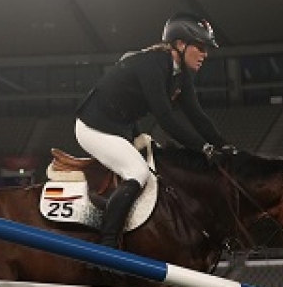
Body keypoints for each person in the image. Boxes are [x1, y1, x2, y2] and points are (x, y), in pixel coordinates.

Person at [75, 13, 233, 248]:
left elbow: (197, 116)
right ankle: (107, 245)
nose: (205, 54)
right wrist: (204, 148)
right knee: (138, 173)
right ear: (180, 44)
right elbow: (166, 119)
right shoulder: (153, 64)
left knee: (162, 167)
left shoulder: (182, 74)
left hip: (122, 128)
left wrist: (224, 146)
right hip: (94, 128)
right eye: (200, 47)